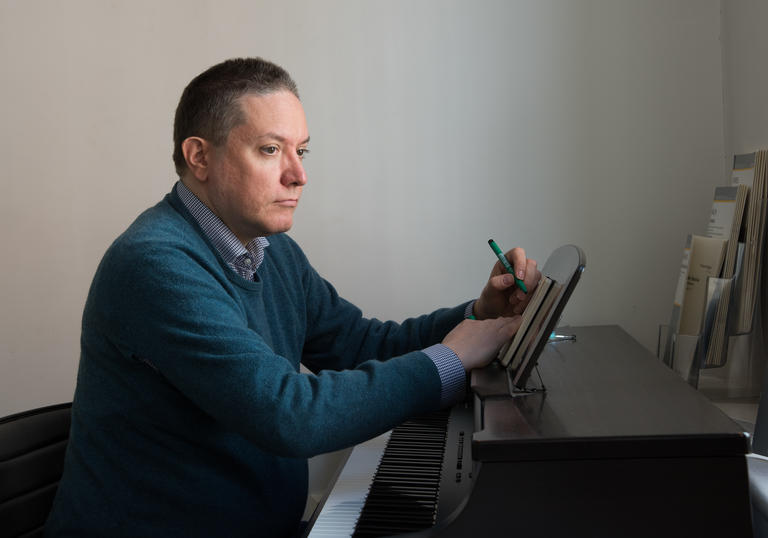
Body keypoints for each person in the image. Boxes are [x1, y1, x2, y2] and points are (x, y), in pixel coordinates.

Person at [45, 57, 540, 537]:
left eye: (301, 151)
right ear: (200, 157)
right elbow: (290, 415)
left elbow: (359, 343)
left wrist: (479, 313)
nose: (297, 175)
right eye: (269, 149)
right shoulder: (154, 265)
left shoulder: (271, 250)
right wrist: (452, 359)